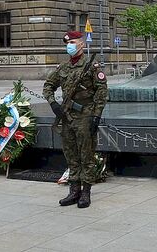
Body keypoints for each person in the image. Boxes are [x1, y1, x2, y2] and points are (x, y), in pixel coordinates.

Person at [43, 31, 108, 209]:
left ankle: (85, 192)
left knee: (86, 154)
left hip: (85, 116)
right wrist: (53, 104)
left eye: (72, 42)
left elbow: (101, 92)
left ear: (81, 45)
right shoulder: (63, 67)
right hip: (67, 116)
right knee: (70, 154)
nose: (69, 45)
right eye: (67, 43)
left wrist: (96, 115)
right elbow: (48, 86)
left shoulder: (91, 66)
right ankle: (74, 190)